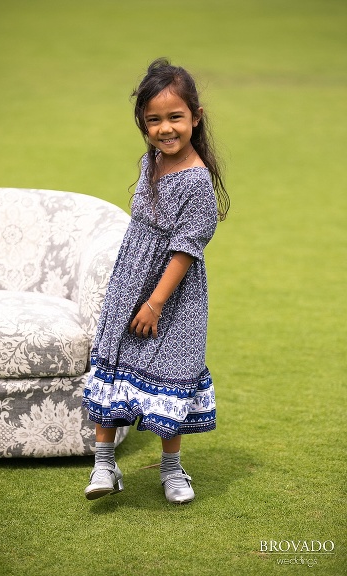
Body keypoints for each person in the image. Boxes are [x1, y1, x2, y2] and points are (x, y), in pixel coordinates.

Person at [82, 58, 230, 504]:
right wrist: (133, 292)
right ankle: (104, 464)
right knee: (115, 361)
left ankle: (171, 469)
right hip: (131, 282)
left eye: (175, 117)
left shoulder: (197, 181)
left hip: (172, 294)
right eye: (154, 120)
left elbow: (186, 249)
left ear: (195, 117)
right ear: (143, 124)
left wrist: (155, 302)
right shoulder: (153, 161)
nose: (165, 129)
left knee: (171, 372)